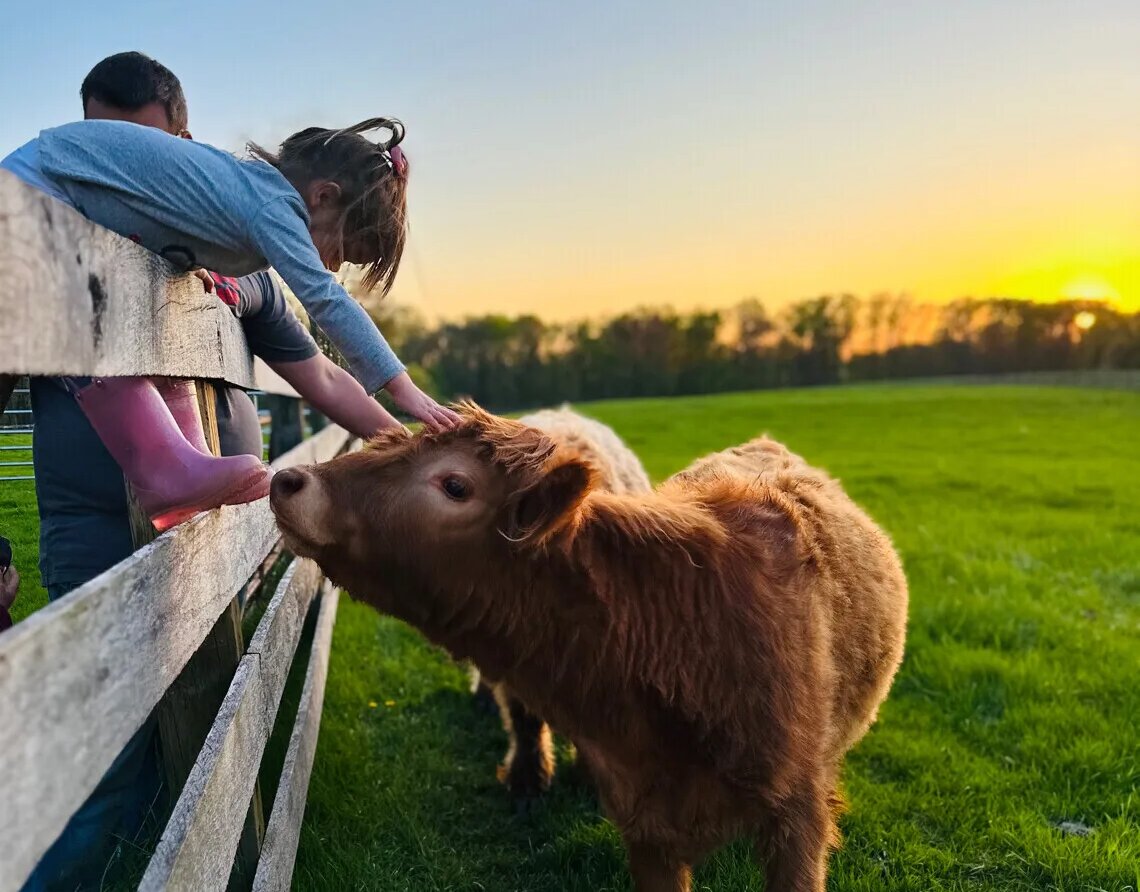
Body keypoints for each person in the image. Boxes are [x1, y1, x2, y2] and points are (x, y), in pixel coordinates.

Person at [1, 89, 458, 531]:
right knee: (91, 298)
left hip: (48, 190)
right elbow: (325, 298)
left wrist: (401, 442)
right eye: (346, 248)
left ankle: (183, 462)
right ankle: (164, 469)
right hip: (28, 195)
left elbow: (142, 207)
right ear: (323, 196)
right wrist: (404, 390)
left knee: (165, 302)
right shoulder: (274, 205)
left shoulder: (241, 199)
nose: (335, 265)